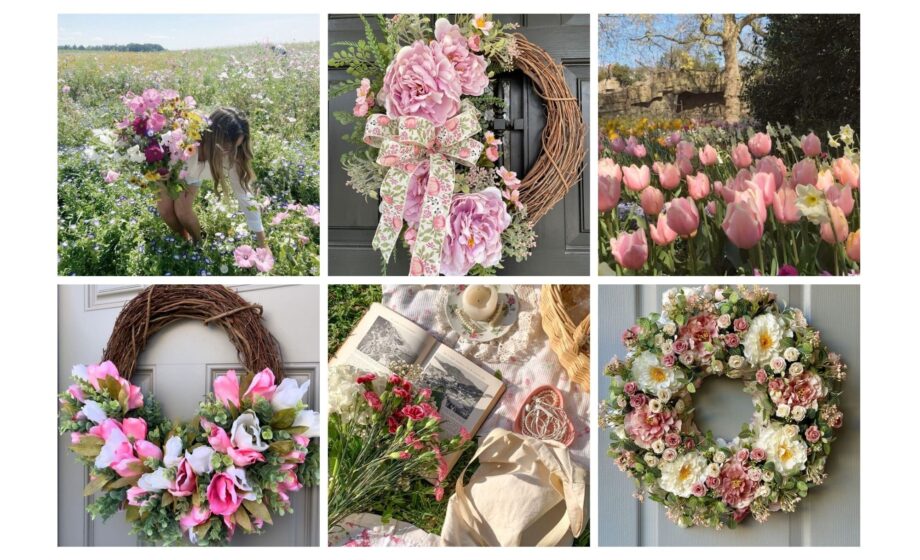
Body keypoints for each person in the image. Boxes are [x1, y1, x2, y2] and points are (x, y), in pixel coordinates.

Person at [156, 107, 265, 246]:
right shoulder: (185, 137)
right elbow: (156, 150)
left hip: (192, 174)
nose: (231, 152)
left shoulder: (231, 155)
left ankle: (198, 243)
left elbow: (244, 196)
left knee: (182, 211)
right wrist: (162, 168)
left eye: (236, 146)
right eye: (227, 146)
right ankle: (183, 239)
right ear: (212, 136)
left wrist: (263, 243)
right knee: (166, 210)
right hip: (168, 168)